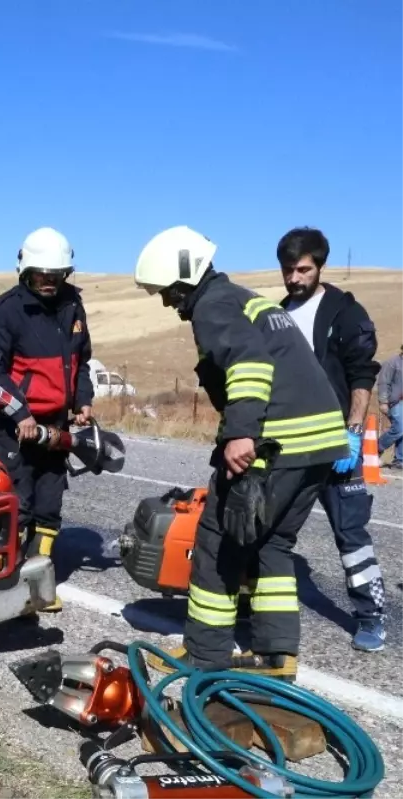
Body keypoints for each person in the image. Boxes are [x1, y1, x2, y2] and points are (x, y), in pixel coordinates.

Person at [134, 225, 348, 678]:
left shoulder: (212, 305)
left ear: (183, 278)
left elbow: (249, 364)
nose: (167, 302)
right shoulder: (242, 298)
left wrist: (242, 434)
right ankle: (277, 656)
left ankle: (205, 655)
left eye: (168, 292)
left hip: (280, 439)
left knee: (215, 542)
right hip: (321, 441)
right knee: (273, 544)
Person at [276, 227, 387, 652]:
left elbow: (362, 373)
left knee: (351, 534)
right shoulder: (279, 313)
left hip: (340, 445)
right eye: (288, 270)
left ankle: (371, 616)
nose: (294, 279)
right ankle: (264, 614)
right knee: (273, 532)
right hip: (292, 445)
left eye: (303, 269)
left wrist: (353, 433)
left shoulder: (344, 311)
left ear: (319, 266)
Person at [0, 227, 93, 612]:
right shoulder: (6, 310)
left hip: (56, 429)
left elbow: (80, 361)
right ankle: (6, 582)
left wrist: (82, 399)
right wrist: (19, 412)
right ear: (26, 271)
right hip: (18, 430)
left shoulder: (72, 306)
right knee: (20, 506)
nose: (49, 282)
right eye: (42, 275)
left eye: (56, 276)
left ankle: (40, 579)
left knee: (49, 507)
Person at [378, 344, 403, 469]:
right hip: (395, 402)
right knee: (399, 428)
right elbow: (384, 382)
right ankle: (376, 448)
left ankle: (400, 460)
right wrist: (383, 401)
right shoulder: (393, 363)